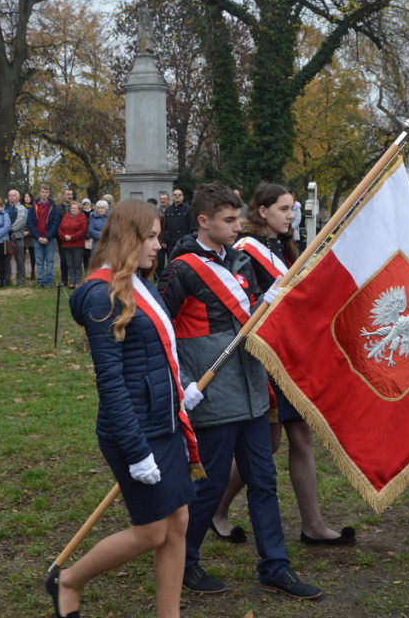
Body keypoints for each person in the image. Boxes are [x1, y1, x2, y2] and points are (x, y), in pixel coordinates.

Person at [161, 183, 321, 600]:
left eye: (237, 219)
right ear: (204, 221)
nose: (237, 227)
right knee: (210, 486)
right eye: (229, 220)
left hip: (252, 388)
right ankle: (184, 561)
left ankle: (275, 567)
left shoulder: (240, 261)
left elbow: (248, 315)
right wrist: (182, 386)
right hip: (212, 393)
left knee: (264, 481)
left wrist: (266, 305)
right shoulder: (182, 268)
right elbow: (163, 330)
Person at [58, 199, 198, 618]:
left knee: (178, 523)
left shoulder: (142, 284)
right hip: (133, 431)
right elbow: (112, 382)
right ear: (127, 238)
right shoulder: (101, 296)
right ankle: (68, 581)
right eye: (150, 237)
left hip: (164, 421)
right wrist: (136, 451)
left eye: (159, 236)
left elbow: (156, 354)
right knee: (153, 530)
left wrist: (179, 392)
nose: (159, 245)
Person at [212, 183, 354, 546]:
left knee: (302, 437)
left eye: (292, 209)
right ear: (262, 211)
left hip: (292, 355)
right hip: (266, 359)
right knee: (270, 444)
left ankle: (313, 525)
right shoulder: (245, 249)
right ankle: (213, 508)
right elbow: (240, 300)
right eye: (284, 209)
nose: (291, 216)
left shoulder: (281, 247)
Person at [159, 189, 197, 283]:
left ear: (182, 197)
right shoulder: (168, 210)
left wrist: (190, 241)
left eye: (179, 195)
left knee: (183, 263)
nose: (177, 196)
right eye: (175, 195)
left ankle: (184, 280)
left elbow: (192, 227)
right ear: (172, 197)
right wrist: (163, 240)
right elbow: (165, 226)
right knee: (171, 262)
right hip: (170, 242)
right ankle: (171, 280)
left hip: (183, 242)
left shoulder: (188, 210)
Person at [27, 184, 61, 288]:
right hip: (38, 238)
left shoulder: (53, 207)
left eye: (46, 192)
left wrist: (47, 237)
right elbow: (30, 223)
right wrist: (38, 237)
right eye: (42, 192)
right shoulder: (34, 207)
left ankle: (49, 281)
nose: (44, 194)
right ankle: (40, 280)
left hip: (49, 238)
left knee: (50, 261)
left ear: (49, 193)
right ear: (39, 193)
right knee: (39, 261)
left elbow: (56, 223)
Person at [58, 201, 87, 288]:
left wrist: (72, 237)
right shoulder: (66, 216)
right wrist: (64, 236)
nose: (73, 209)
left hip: (77, 244)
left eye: (75, 208)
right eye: (72, 208)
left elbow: (83, 230)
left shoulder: (82, 217)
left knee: (77, 264)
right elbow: (60, 229)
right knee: (70, 264)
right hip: (66, 244)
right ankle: (72, 281)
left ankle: (78, 281)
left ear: (79, 209)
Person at [5, 189, 27, 287]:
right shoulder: (5, 208)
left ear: (18, 197)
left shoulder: (22, 208)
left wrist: (9, 228)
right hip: (6, 238)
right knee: (6, 260)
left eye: (14, 195)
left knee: (20, 261)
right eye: (10, 195)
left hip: (18, 237)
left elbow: (21, 222)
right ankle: (7, 279)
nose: (12, 197)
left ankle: (21, 280)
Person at [57, 187, 75, 287]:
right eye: (67, 194)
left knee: (74, 259)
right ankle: (64, 279)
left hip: (74, 238)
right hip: (62, 238)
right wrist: (62, 236)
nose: (69, 196)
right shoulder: (58, 207)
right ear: (63, 196)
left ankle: (74, 279)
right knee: (63, 258)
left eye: (71, 194)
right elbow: (57, 223)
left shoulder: (75, 206)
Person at [22, 192, 36, 282]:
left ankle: (33, 271)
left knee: (33, 254)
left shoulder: (34, 207)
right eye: (25, 197)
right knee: (21, 254)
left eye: (28, 196)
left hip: (31, 232)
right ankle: (22, 272)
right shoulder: (20, 208)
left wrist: (30, 231)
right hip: (22, 231)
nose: (27, 198)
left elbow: (36, 221)